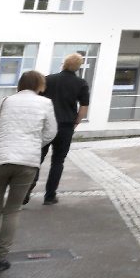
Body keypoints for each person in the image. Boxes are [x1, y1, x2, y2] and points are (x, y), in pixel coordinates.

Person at [0, 70, 56, 274]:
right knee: (12, 210)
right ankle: (1, 259)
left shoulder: (5, 101)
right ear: (40, 85)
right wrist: (33, 144)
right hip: (26, 162)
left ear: (20, 84)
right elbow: (51, 132)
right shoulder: (46, 103)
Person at [40, 53, 90, 204]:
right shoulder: (81, 83)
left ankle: (25, 194)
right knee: (58, 161)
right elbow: (84, 106)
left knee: (37, 158)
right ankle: (50, 196)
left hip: (46, 124)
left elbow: (39, 100)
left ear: (64, 64)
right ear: (78, 67)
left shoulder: (48, 79)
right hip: (66, 126)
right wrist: (75, 123)